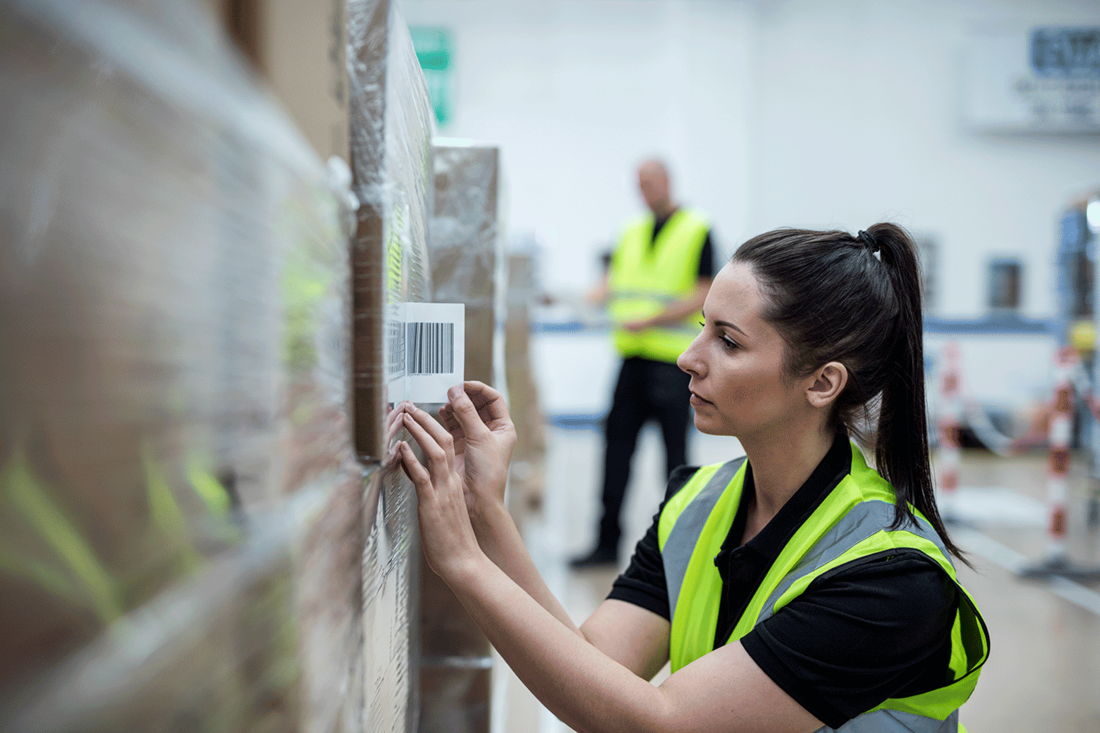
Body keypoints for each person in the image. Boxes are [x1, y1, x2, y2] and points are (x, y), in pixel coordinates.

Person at [393, 223, 989, 732]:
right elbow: (598, 663)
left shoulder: (890, 580)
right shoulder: (696, 504)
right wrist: (485, 511)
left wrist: (464, 563)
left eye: (727, 341)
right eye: (702, 326)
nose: (688, 355)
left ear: (822, 383)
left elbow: (662, 722)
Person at [575, 158, 717, 567]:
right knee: (615, 453)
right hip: (632, 360)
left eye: (650, 182)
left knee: (675, 461)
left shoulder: (698, 229)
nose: (644, 190)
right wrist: (589, 297)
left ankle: (680, 551)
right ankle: (605, 545)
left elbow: (704, 292)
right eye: (638, 183)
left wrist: (652, 319)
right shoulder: (631, 231)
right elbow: (614, 280)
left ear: (668, 181)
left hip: (675, 365)